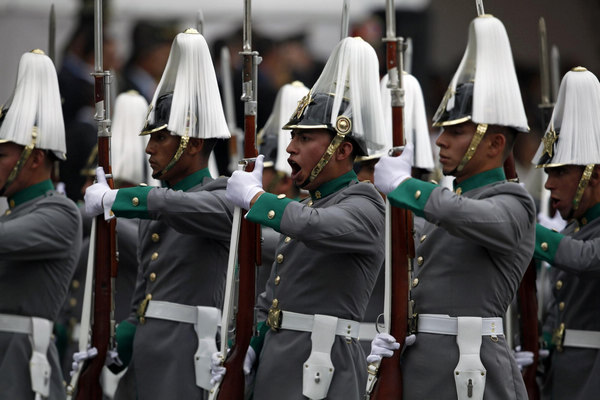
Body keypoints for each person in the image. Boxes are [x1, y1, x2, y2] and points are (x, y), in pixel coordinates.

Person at [371, 13, 535, 400]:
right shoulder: (448, 203)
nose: (441, 140)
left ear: (495, 144)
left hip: (471, 373)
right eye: (443, 130)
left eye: (456, 131)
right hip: (422, 367)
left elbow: (471, 217)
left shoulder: (513, 202)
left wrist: (406, 186)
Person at [224, 36, 386, 400]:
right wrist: (252, 343)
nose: (291, 147)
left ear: (342, 149)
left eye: (305, 137)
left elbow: (317, 228)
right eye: (293, 136)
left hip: (322, 368)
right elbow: (275, 296)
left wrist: (256, 197)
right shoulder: (310, 205)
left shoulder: (366, 202)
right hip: (279, 364)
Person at [84, 29, 233, 399]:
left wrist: (119, 198)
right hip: (148, 354)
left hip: (185, 355)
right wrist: (119, 338)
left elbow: (174, 206)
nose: (149, 149)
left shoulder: (221, 198)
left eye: (160, 138)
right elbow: (145, 293)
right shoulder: (161, 201)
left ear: (194, 143)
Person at [0, 49, 82, 399]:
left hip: (18, 360)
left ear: (34, 159)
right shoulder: (15, 211)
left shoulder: (60, 214)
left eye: (1, 156)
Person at [531, 67, 600, 400]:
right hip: (561, 377)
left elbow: (586, 260)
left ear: (594, 176)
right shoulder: (575, 228)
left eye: (559, 172)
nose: (548, 184)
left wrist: (523, 230)